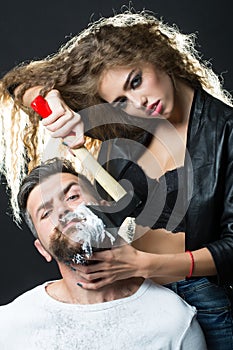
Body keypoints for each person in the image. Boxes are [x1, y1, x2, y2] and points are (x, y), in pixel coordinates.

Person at [0, 9, 233, 349]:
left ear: (158, 54)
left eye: (136, 80)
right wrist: (54, 105)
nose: (140, 102)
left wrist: (146, 263)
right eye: (121, 99)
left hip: (203, 303)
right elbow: (18, 84)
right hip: (129, 294)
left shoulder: (227, 132)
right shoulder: (127, 121)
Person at [0, 158, 207, 349]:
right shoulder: (10, 326)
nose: (62, 211)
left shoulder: (175, 320)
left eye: (73, 196)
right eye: (46, 213)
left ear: (108, 210)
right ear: (42, 249)